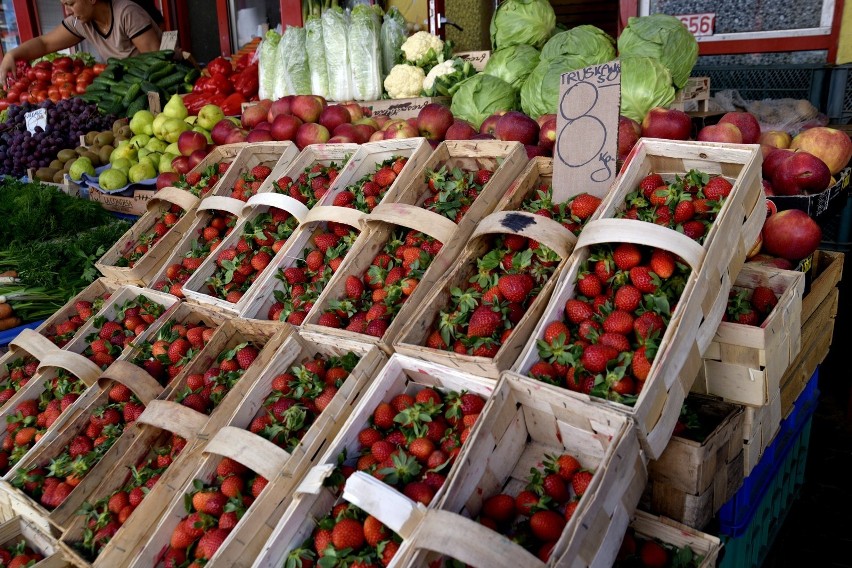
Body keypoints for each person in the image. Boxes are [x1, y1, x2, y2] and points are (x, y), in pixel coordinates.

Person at [0, 0, 162, 83]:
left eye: (71, 4)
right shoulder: (80, 22)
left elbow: (156, 63)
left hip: (157, 84)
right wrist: (13, 55)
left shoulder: (127, 13)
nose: (67, 11)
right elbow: (45, 43)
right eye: (64, 4)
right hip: (128, 87)